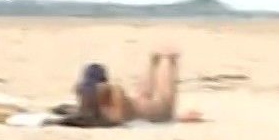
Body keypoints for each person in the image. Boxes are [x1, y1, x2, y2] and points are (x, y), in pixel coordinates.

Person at [67, 50, 204, 126]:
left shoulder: (98, 95)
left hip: (152, 112)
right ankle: (159, 60)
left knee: (163, 98)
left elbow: (118, 119)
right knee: (146, 95)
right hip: (142, 107)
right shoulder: (111, 92)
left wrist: (178, 118)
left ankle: (166, 59)